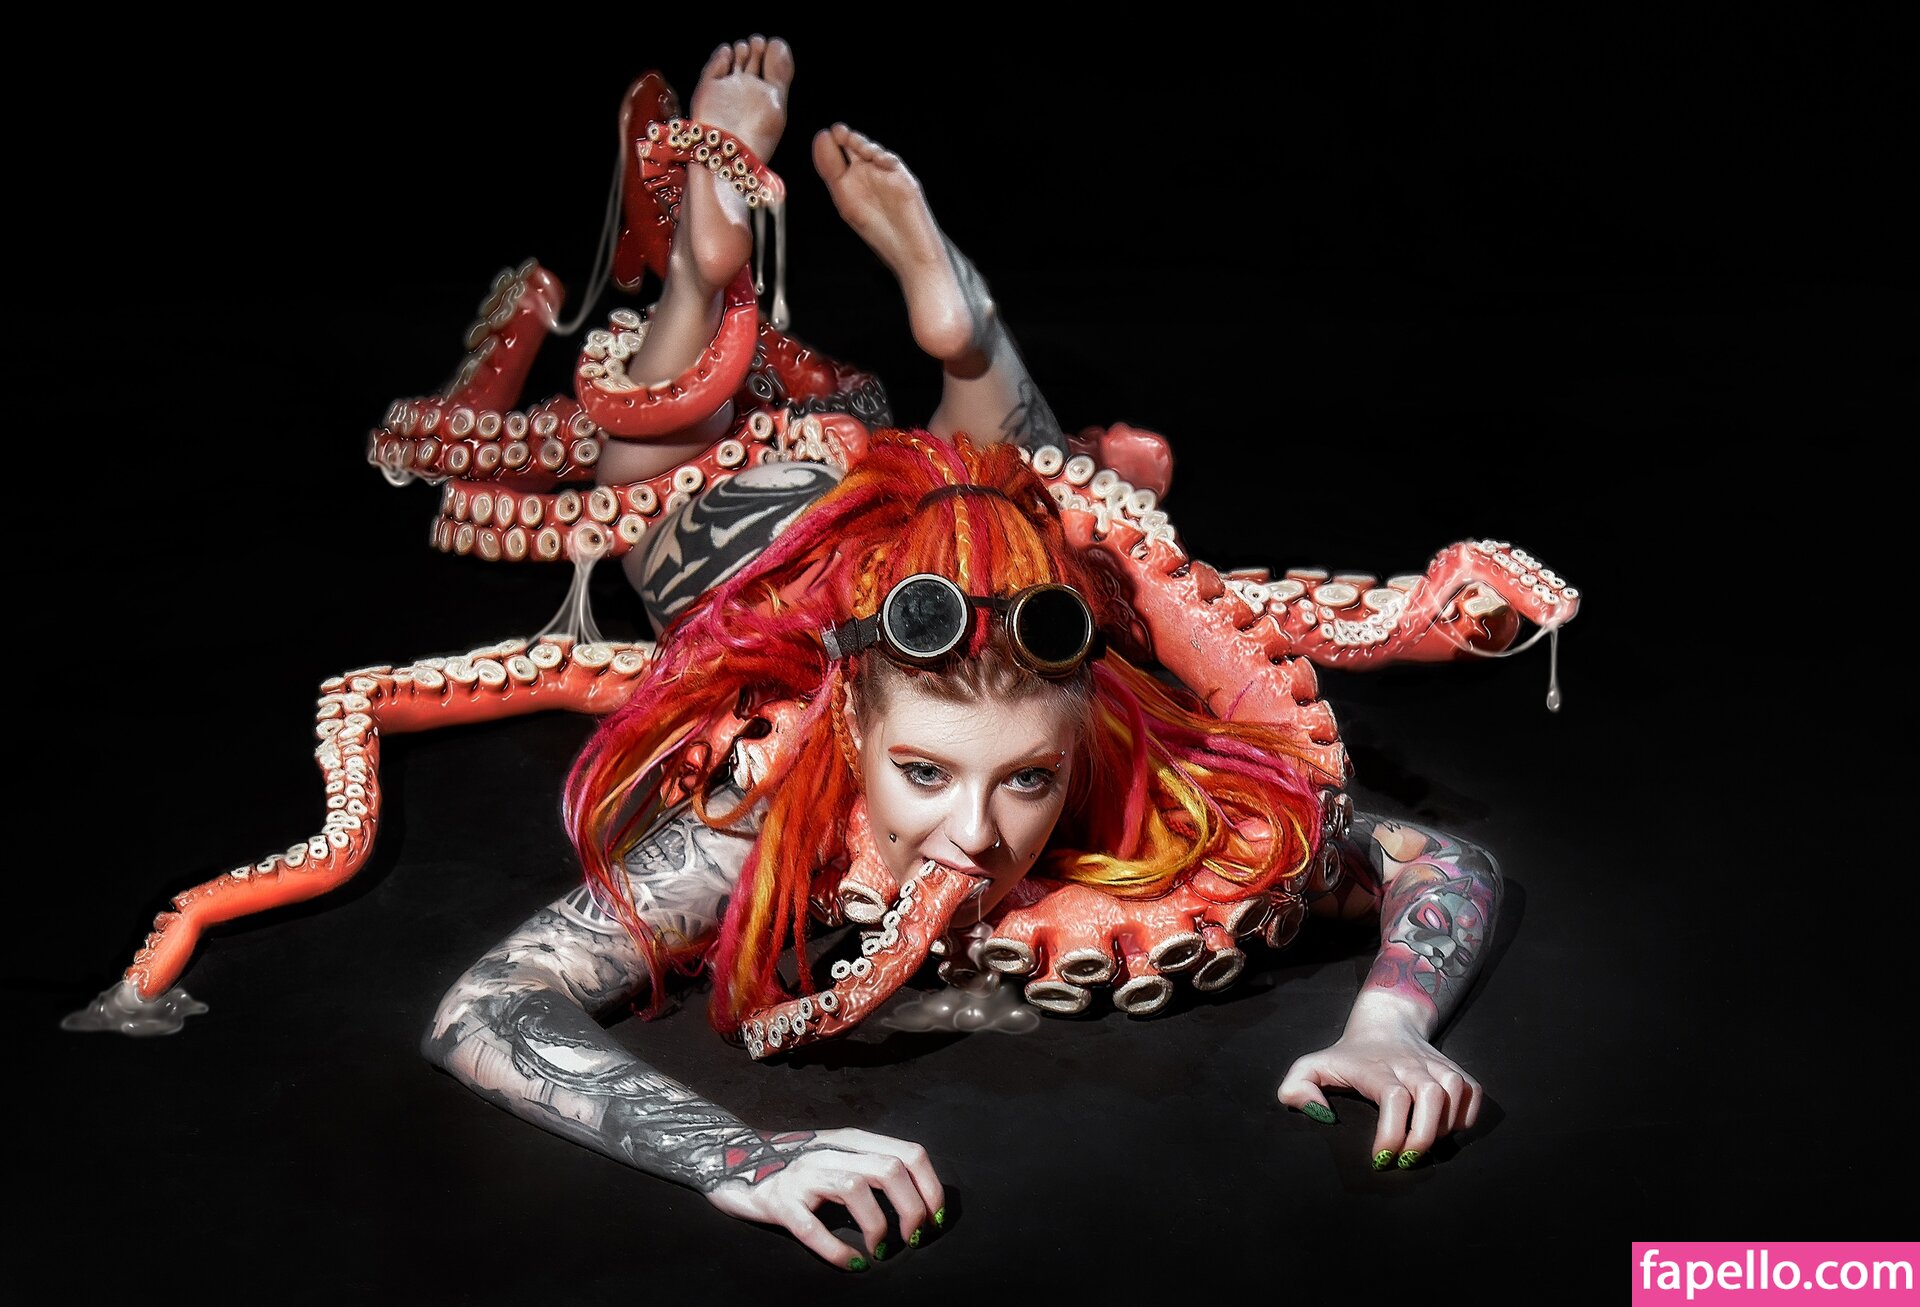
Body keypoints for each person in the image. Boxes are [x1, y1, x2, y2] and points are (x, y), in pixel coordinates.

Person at [420, 35, 1504, 1273]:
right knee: (656, 480)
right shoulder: (765, 816)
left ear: (1085, 736)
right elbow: (485, 1004)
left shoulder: (1134, 781)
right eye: (925, 772)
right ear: (850, 727)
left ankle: (959, 327)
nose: (979, 835)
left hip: (946, 525)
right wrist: (734, 1154)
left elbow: (1435, 857)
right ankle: (709, 276)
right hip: (766, 547)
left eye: (1028, 777)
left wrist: (1391, 1026)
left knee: (1015, 490)